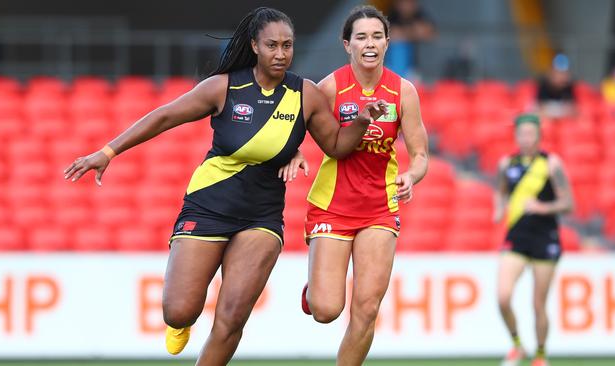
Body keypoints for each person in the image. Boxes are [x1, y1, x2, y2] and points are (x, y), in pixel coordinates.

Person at [63, 7, 388, 365]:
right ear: (254, 46)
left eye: (287, 46)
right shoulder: (225, 86)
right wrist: (108, 151)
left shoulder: (305, 95)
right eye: (272, 45)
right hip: (208, 205)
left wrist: (358, 121)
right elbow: (166, 115)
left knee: (233, 316)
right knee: (179, 310)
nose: (280, 54)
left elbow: (338, 146)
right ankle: (180, 323)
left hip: (261, 217)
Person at [300, 5, 429, 365]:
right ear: (347, 45)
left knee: (367, 309)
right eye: (361, 37)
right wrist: (293, 153)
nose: (369, 43)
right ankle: (314, 291)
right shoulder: (329, 87)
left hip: (379, 208)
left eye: (376, 36)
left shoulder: (403, 92)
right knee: (326, 310)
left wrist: (411, 175)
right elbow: (295, 128)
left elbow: (421, 155)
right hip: (332, 204)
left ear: (388, 42)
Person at [493, 114, 574, 366]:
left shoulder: (551, 164)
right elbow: (501, 192)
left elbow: (568, 204)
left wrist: (542, 207)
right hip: (516, 237)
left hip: (544, 238)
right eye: (522, 134)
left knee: (538, 304)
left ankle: (540, 354)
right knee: (503, 296)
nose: (526, 138)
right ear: (516, 136)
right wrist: (498, 208)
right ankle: (517, 346)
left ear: (538, 135)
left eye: (530, 133)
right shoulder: (507, 164)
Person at [386, 0, 436, 79]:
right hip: (392, 63)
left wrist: (404, 33)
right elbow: (390, 34)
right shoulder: (393, 15)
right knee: (398, 46)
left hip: (415, 66)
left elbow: (429, 33)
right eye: (403, 3)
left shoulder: (420, 14)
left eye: (409, 2)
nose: (406, 6)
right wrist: (413, 32)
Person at [537, 53, 576, 119]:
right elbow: (540, 108)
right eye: (558, 73)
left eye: (563, 73)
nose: (561, 76)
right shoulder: (544, 84)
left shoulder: (569, 86)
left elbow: (572, 109)